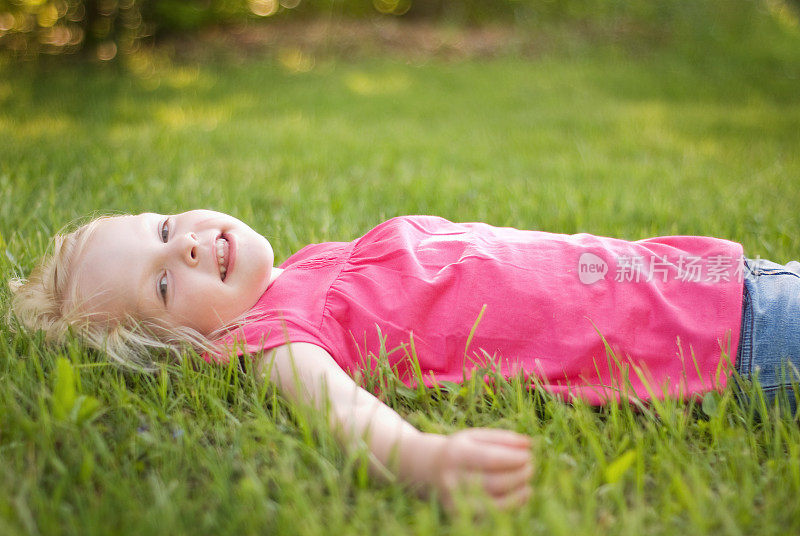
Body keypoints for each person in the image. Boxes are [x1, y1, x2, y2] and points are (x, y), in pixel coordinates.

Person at [8, 209, 800, 511]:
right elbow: (345, 414)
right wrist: (423, 455)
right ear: (182, 346)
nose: (182, 244)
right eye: (160, 283)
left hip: (713, 281)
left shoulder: (312, 268)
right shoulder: (274, 340)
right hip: (733, 347)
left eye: (163, 226)